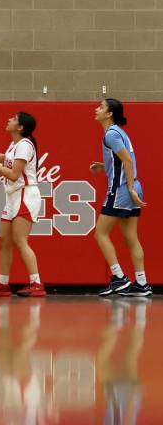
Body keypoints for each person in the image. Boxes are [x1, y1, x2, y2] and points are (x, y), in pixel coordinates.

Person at [0, 112, 45, 297]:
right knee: (4, 241)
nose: (8, 119)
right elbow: (3, 158)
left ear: (20, 127)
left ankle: (36, 283)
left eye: (13, 119)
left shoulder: (25, 145)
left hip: (25, 195)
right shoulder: (16, 145)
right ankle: (3, 284)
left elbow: (13, 175)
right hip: (13, 197)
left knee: (21, 241)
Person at [90, 98, 151, 297]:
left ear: (109, 114)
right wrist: (104, 166)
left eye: (101, 107)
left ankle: (119, 278)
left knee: (100, 233)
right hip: (132, 186)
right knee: (131, 238)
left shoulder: (111, 134)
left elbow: (126, 160)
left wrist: (130, 188)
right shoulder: (119, 132)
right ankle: (141, 283)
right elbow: (123, 160)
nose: (96, 109)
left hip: (122, 189)